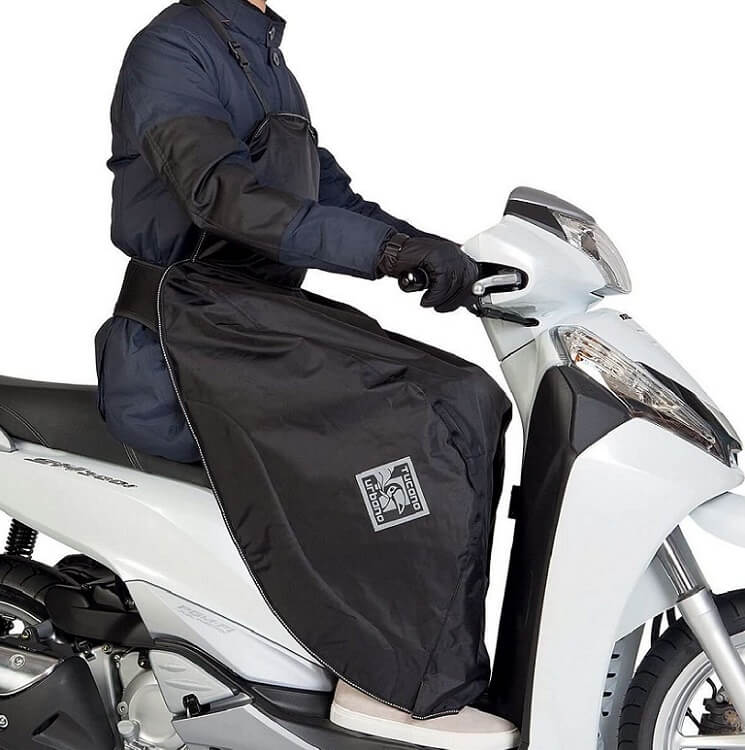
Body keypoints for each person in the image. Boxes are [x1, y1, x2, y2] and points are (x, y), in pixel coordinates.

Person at [97, 1, 517, 746]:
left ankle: (436, 665)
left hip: (248, 321)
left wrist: (431, 250)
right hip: (183, 331)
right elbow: (223, 196)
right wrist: (387, 254)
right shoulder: (172, 48)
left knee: (467, 398)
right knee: (420, 415)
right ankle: (382, 683)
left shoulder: (264, 56)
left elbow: (326, 197)